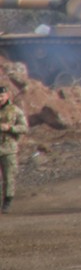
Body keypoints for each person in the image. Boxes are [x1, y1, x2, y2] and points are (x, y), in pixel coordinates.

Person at [0, 85, 29, 214]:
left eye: (1, 96)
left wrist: (10, 128)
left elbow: (24, 128)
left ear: (7, 96)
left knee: (9, 176)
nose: (0, 99)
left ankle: (8, 200)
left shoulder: (14, 111)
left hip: (8, 149)